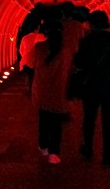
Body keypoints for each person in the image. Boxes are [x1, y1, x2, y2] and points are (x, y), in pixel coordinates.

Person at [74, 10, 110, 165]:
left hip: (91, 84)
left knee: (89, 118)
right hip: (109, 84)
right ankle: (107, 154)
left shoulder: (86, 41)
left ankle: (88, 148)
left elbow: (79, 63)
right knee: (108, 120)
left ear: (92, 23)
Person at [31, 17, 75, 165]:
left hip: (42, 90)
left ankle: (43, 146)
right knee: (56, 123)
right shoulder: (67, 50)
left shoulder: (39, 47)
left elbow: (31, 65)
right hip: (60, 90)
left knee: (43, 119)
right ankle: (54, 153)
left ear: (46, 32)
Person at [19, 20, 45, 93]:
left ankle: (29, 88)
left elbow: (21, 50)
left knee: (28, 75)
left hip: (26, 61)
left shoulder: (25, 38)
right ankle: (35, 90)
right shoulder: (41, 36)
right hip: (37, 61)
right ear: (37, 28)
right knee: (35, 76)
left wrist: (25, 56)